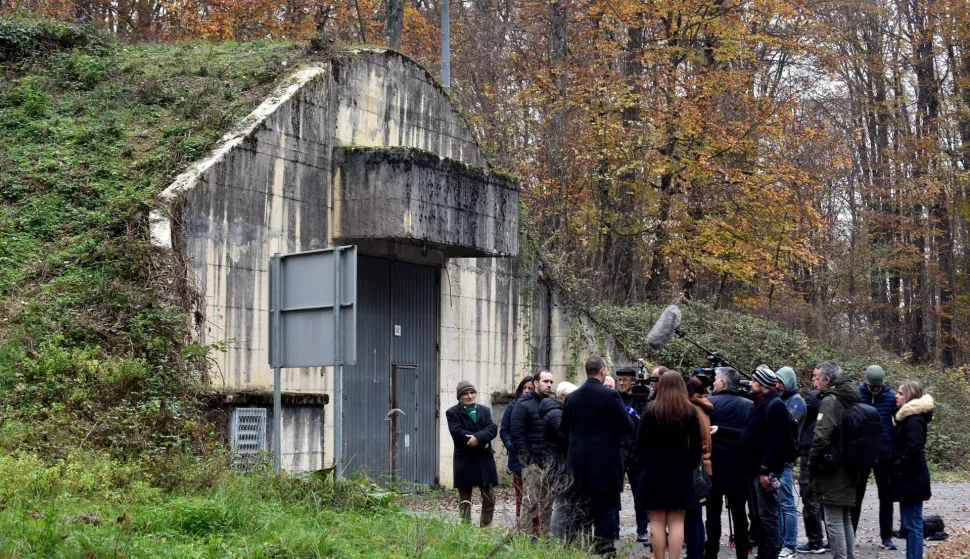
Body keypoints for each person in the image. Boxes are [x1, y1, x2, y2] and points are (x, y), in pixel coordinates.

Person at [560, 355, 634, 555]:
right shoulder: (610, 396)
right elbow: (627, 426)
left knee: (580, 507)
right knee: (607, 507)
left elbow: (563, 428)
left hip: (578, 462)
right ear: (602, 371)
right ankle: (605, 549)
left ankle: (580, 547)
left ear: (586, 371)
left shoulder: (572, 398)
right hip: (605, 462)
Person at [634, 371, 702, 559]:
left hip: (653, 469)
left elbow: (639, 443)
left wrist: (645, 463)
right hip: (680, 470)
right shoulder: (689, 411)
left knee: (655, 519)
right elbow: (697, 445)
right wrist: (689, 465)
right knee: (677, 520)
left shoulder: (651, 409)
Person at [809, 361, 860, 559]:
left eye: (816, 377)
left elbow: (822, 436)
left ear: (827, 380)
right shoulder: (851, 397)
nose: (814, 382)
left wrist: (812, 461)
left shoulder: (831, 401)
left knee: (832, 519)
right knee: (844, 517)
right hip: (849, 464)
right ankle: (848, 556)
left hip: (832, 468)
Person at [740, 365, 790, 559]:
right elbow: (750, 433)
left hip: (764, 470)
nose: (750, 383)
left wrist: (764, 470)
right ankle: (764, 548)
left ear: (763, 384)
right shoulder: (758, 402)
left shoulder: (775, 405)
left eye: (753, 381)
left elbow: (775, 441)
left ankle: (771, 551)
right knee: (757, 513)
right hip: (753, 467)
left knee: (768, 513)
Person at [705, 367, 752, 559]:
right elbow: (750, 436)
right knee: (740, 513)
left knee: (712, 514)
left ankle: (711, 552)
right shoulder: (748, 405)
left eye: (715, 380)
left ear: (723, 383)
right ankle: (742, 551)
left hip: (713, 467)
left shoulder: (708, 404)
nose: (713, 383)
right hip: (738, 468)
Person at [852, 365, 899, 550]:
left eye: (878, 385)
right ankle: (850, 534)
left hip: (885, 453)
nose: (876, 389)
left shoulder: (892, 397)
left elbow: (897, 422)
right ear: (867, 382)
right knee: (856, 496)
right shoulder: (857, 394)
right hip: (862, 453)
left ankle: (887, 536)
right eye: (873, 385)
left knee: (886, 497)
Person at [446, 380, 499, 527]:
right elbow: (457, 432)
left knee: (489, 496)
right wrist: (482, 439)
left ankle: (485, 527)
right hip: (465, 459)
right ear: (460, 397)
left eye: (472, 392)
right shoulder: (452, 412)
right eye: (465, 394)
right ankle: (465, 528)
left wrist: (478, 438)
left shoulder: (485, 410)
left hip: (484, 459)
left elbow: (492, 428)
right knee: (465, 498)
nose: (470, 396)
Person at [510, 370, 556, 536]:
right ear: (536, 383)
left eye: (551, 381)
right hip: (532, 464)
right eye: (545, 381)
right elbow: (516, 433)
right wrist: (527, 459)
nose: (549, 385)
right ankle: (525, 537)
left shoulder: (553, 403)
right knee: (530, 503)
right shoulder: (523, 404)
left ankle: (544, 538)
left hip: (550, 463)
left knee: (547, 503)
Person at [891, 381, 933, 559]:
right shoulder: (906, 418)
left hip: (912, 477)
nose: (896, 396)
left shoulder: (914, 419)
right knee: (909, 522)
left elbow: (914, 448)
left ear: (909, 396)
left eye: (900, 393)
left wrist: (897, 465)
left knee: (914, 522)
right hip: (907, 476)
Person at [774, 367, 806, 559]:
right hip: (777, 459)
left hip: (785, 459)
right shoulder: (784, 400)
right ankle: (780, 541)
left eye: (780, 382)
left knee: (787, 504)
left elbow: (785, 425)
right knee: (778, 503)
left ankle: (790, 545)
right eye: (776, 382)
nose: (777, 385)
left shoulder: (797, 403)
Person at [616, 367, 651, 542]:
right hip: (619, 449)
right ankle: (613, 527)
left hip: (637, 451)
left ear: (632, 381)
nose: (621, 383)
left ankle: (642, 528)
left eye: (625, 379)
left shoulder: (641, 399)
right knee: (614, 492)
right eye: (619, 379)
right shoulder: (615, 398)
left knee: (640, 494)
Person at [795, 384, 828, 554]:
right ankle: (829, 540)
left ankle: (815, 541)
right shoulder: (836, 404)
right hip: (827, 454)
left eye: (816, 378)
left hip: (811, 452)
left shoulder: (812, 399)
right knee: (825, 498)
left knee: (810, 497)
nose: (814, 382)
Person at [500, 376, 536, 532]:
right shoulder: (512, 406)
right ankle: (520, 526)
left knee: (534, 495)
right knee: (520, 494)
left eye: (530, 389)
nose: (527, 391)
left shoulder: (538, 405)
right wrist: (513, 447)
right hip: (517, 458)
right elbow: (504, 431)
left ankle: (535, 528)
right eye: (524, 388)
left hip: (534, 458)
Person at [547, 381, 580, 540]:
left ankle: (564, 540)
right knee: (561, 505)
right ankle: (556, 542)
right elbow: (563, 436)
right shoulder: (556, 413)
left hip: (561, 463)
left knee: (565, 504)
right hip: (559, 465)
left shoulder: (558, 411)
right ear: (563, 397)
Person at [686, 376, 713, 559]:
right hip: (705, 467)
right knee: (697, 515)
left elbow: (691, 442)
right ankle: (698, 552)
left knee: (691, 516)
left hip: (695, 468)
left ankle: (694, 554)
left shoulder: (692, 410)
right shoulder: (704, 407)